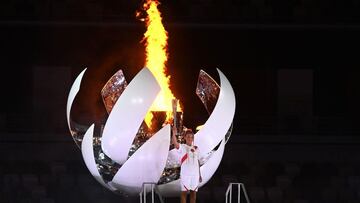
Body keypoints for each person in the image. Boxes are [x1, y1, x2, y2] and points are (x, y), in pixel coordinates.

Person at [172, 127, 202, 203]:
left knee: (193, 194)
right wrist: (174, 133)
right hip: (186, 174)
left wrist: (200, 174)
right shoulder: (182, 147)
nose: (190, 138)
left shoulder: (196, 148)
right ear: (185, 137)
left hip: (195, 174)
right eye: (188, 136)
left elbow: (197, 162)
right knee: (184, 193)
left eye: (191, 137)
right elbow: (175, 143)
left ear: (193, 138)